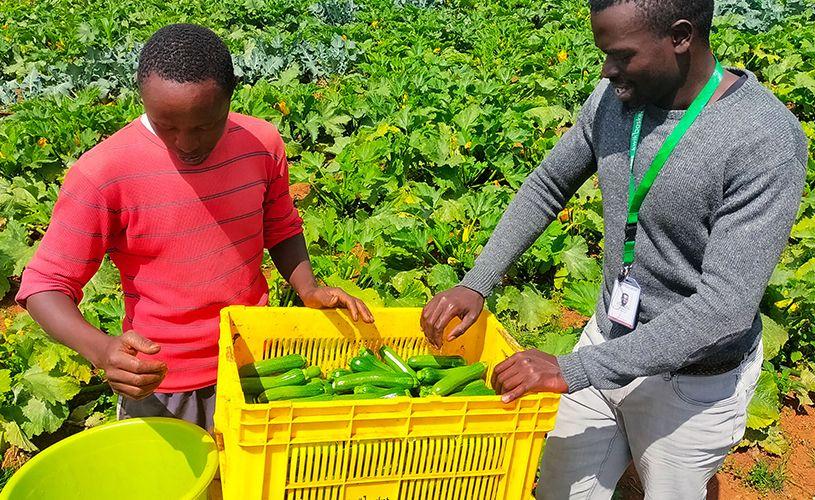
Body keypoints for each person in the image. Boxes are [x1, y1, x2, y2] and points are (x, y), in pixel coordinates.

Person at [420, 1, 807, 498]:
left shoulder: (762, 138)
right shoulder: (615, 98)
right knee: (560, 489)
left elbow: (723, 310)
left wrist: (573, 369)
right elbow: (547, 185)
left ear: (681, 37)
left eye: (621, 55)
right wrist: (478, 281)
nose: (607, 72)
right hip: (607, 337)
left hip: (692, 382)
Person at [16, 24, 373, 432]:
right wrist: (102, 350)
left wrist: (307, 287)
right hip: (161, 381)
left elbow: (280, 225)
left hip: (252, 360)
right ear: (143, 99)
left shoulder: (261, 143)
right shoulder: (103, 173)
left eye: (205, 125)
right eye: (166, 125)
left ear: (229, 100)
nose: (186, 143)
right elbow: (44, 285)